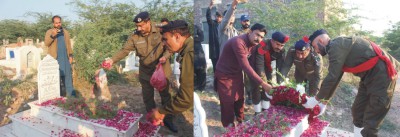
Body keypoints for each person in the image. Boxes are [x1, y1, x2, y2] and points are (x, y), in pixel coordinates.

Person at [303, 29, 400, 137]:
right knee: (357, 111)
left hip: (382, 75)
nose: (316, 51)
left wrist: (316, 99)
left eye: (315, 47)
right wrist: (324, 102)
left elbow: (332, 77)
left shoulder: (337, 45)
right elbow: (336, 77)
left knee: (371, 120)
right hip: (368, 78)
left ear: (320, 41)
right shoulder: (335, 47)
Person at [103, 12, 177, 132]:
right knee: (147, 96)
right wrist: (112, 60)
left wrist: (166, 56)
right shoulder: (135, 36)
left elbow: (170, 46)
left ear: (148, 22)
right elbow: (125, 50)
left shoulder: (161, 30)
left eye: (141, 25)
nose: (139, 28)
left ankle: (168, 118)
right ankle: (153, 118)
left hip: (161, 69)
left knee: (165, 95)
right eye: (137, 26)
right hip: (145, 70)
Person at [215, 23, 272, 127]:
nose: (258, 39)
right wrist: (263, 84)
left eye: (261, 37)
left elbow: (253, 63)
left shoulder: (254, 45)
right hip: (224, 74)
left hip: (236, 73)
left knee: (240, 99)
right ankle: (229, 127)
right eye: (257, 35)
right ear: (250, 32)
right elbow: (245, 66)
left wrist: (264, 79)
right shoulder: (238, 42)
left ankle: (241, 122)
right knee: (228, 101)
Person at [150, 20, 194, 127]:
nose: (164, 44)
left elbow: (185, 100)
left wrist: (161, 111)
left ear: (177, 36)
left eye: (165, 39)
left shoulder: (189, 53)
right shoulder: (189, 47)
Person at [249, 31, 289, 113]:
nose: (279, 47)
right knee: (257, 87)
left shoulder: (281, 50)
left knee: (270, 85)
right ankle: (257, 112)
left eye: (282, 45)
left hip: (267, 67)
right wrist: (264, 84)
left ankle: (265, 110)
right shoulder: (262, 46)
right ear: (272, 41)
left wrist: (280, 83)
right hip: (254, 66)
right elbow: (259, 67)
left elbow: (280, 68)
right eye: (277, 44)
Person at [44, 15, 76, 97]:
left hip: (65, 58)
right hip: (55, 58)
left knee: (68, 77)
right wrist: (53, 35)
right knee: (56, 78)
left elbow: (68, 45)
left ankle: (71, 96)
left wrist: (71, 55)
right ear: (53, 23)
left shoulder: (65, 32)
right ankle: (57, 96)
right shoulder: (49, 32)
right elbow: (46, 43)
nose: (58, 24)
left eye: (59, 22)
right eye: (56, 23)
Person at [206, 0, 223, 72]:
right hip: (214, 50)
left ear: (222, 18)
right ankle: (216, 81)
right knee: (216, 69)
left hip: (222, 50)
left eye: (219, 17)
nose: (218, 18)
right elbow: (208, 17)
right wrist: (210, 6)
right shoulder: (212, 24)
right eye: (217, 16)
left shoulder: (224, 26)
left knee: (222, 68)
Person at [194, 25, 206, 92]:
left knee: (201, 70)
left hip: (199, 53)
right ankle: (195, 87)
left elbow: (202, 38)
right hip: (192, 53)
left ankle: (201, 88)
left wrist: (195, 38)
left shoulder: (196, 27)